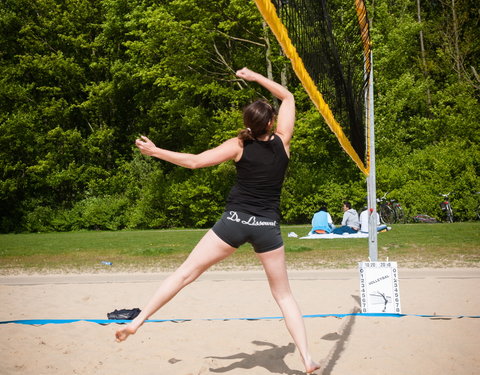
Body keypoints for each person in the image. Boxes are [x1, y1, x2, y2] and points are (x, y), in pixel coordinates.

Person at [115, 67, 320, 374]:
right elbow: (288, 95)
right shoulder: (283, 142)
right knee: (284, 295)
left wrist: (156, 151)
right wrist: (256, 77)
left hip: (234, 222)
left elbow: (195, 161)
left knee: (185, 274)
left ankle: (137, 321)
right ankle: (306, 359)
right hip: (267, 228)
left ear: (247, 124)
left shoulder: (238, 145)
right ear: (271, 123)